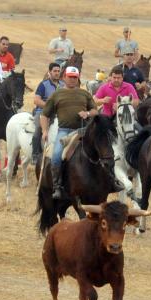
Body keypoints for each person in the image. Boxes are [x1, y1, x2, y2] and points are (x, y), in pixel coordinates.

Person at [39, 66, 99, 200]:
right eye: (70, 77)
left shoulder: (85, 94)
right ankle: (57, 186)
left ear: (78, 78)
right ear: (64, 77)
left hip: (84, 131)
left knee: (103, 151)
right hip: (64, 132)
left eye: (75, 77)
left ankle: (110, 181)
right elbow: (44, 115)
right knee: (56, 156)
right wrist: (44, 131)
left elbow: (95, 111)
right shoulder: (57, 94)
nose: (72, 80)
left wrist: (87, 113)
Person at [31, 62, 64, 163]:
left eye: (58, 71)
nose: (57, 73)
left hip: (59, 113)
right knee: (38, 128)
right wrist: (49, 107)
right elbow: (36, 100)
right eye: (55, 71)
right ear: (49, 72)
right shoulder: (43, 84)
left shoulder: (63, 85)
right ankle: (35, 154)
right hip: (43, 112)